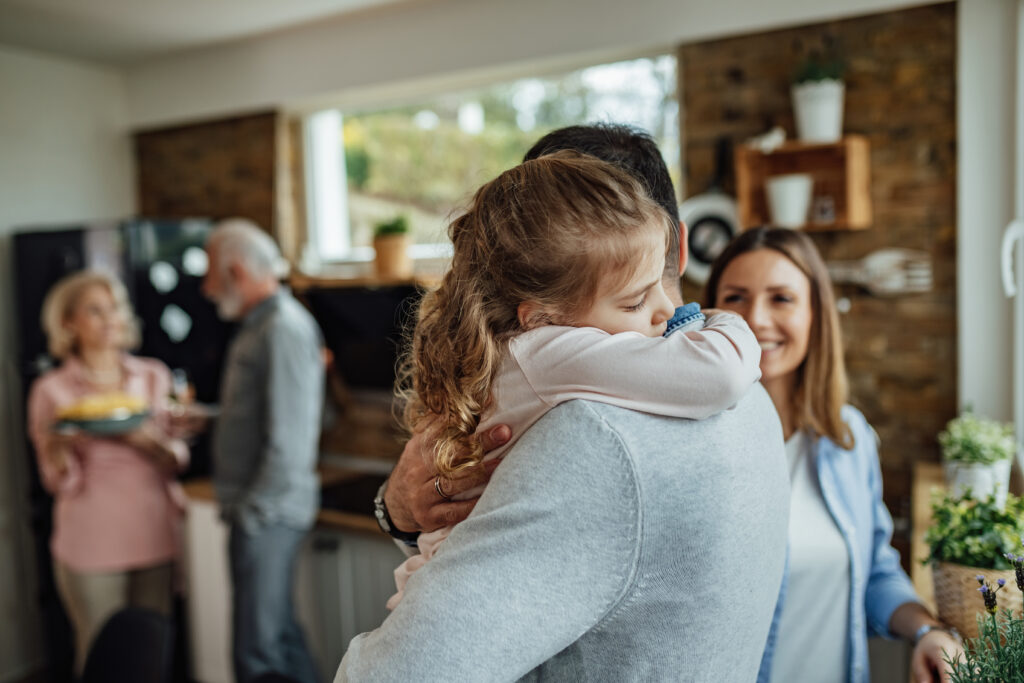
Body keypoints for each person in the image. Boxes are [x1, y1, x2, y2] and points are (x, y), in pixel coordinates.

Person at [336, 154, 789, 680]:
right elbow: (721, 370)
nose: (662, 312)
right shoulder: (560, 365)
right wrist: (719, 319)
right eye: (636, 301)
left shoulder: (537, 372)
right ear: (543, 314)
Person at [703, 226, 964, 683]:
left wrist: (928, 631)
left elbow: (876, 571)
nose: (756, 319)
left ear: (815, 316)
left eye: (781, 298)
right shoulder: (694, 447)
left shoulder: (849, 438)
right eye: (736, 298)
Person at [26, 270, 189, 673]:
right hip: (91, 539)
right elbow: (56, 480)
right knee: (103, 655)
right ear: (68, 323)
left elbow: (176, 459)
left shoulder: (153, 375)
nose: (109, 319)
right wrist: (59, 449)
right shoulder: (51, 390)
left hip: (154, 530)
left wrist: (145, 441)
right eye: (94, 311)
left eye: (113, 308)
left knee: (153, 650)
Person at [202, 218, 324, 683]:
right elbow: (260, 416)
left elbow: (289, 440)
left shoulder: (283, 329)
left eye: (211, 271)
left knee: (258, 655)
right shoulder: (259, 325)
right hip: (261, 508)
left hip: (267, 512)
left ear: (235, 271)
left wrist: (253, 510)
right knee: (280, 637)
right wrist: (211, 418)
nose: (205, 286)